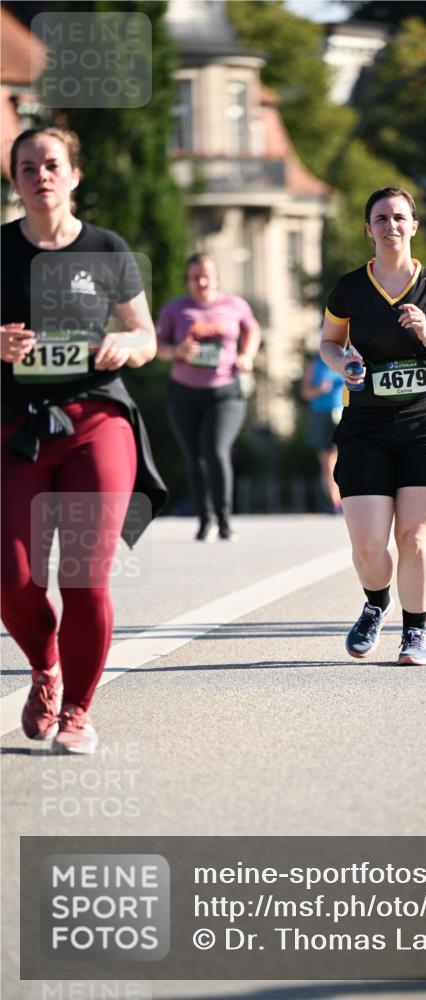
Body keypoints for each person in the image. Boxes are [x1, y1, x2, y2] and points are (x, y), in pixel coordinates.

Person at [1, 127, 167, 754]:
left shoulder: (106, 248)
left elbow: (145, 336)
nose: (40, 175)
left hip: (96, 420)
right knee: (13, 581)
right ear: (14, 181)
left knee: (84, 577)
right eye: (26, 168)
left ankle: (77, 710)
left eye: (51, 164)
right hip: (16, 430)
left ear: (74, 175)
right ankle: (46, 669)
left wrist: (128, 344)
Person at [320, 186, 426, 666]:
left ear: (413, 225)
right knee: (367, 544)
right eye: (381, 218)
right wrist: (342, 364)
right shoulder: (349, 287)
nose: (391, 226)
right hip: (365, 423)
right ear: (368, 229)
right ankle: (375, 602)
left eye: (399, 217)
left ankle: (415, 633)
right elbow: (328, 342)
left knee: (414, 536)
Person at [156, 254, 260, 541]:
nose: (201, 282)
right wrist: (176, 351)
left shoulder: (234, 305)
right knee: (193, 456)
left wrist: (247, 356)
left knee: (215, 449)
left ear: (216, 278)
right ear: (187, 280)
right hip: (184, 393)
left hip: (225, 391)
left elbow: (252, 330)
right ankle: (205, 520)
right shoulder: (175, 309)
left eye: (206, 276)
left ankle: (225, 520)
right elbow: (157, 345)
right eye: (194, 277)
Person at [300, 350, 344, 513]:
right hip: (322, 416)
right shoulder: (316, 362)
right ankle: (335, 502)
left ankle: (348, 499)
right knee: (328, 462)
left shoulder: (350, 356)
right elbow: (305, 393)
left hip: (344, 413)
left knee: (346, 460)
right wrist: (320, 389)